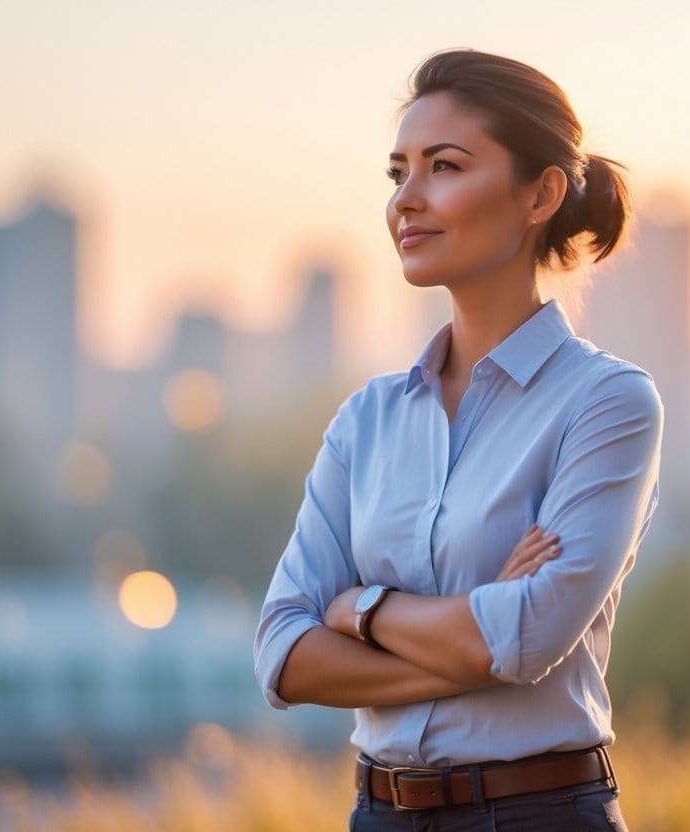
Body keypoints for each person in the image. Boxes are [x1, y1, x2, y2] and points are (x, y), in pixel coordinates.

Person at [254, 47, 663, 830]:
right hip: (377, 813)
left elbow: (525, 638)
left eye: (443, 166)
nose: (406, 199)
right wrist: (467, 637)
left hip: (538, 814)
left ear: (540, 194)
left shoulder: (606, 403)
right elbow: (283, 654)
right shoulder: (365, 421)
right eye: (396, 172)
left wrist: (361, 609)